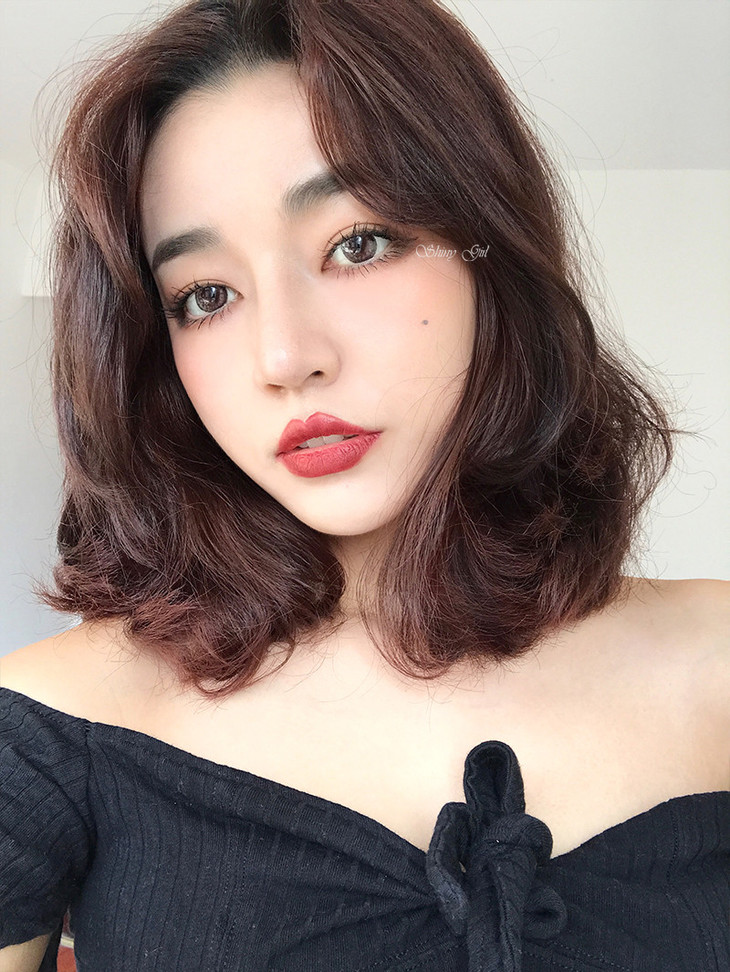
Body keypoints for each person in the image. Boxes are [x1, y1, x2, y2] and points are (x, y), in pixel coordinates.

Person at [1, 0, 728, 969]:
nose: (285, 357)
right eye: (205, 296)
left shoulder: (714, 665)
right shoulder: (50, 731)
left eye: (357, 244)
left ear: (487, 248)